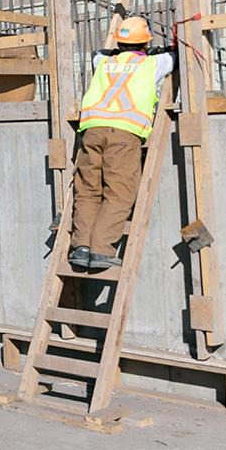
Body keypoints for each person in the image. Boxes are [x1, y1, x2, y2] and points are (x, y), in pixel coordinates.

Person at [68, 16, 175, 271]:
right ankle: (102, 250)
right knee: (119, 193)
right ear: (145, 44)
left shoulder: (104, 62)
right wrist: (159, 50)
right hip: (124, 134)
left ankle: (80, 246)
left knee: (87, 191)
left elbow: (98, 52)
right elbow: (176, 56)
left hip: (91, 131)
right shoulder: (153, 64)